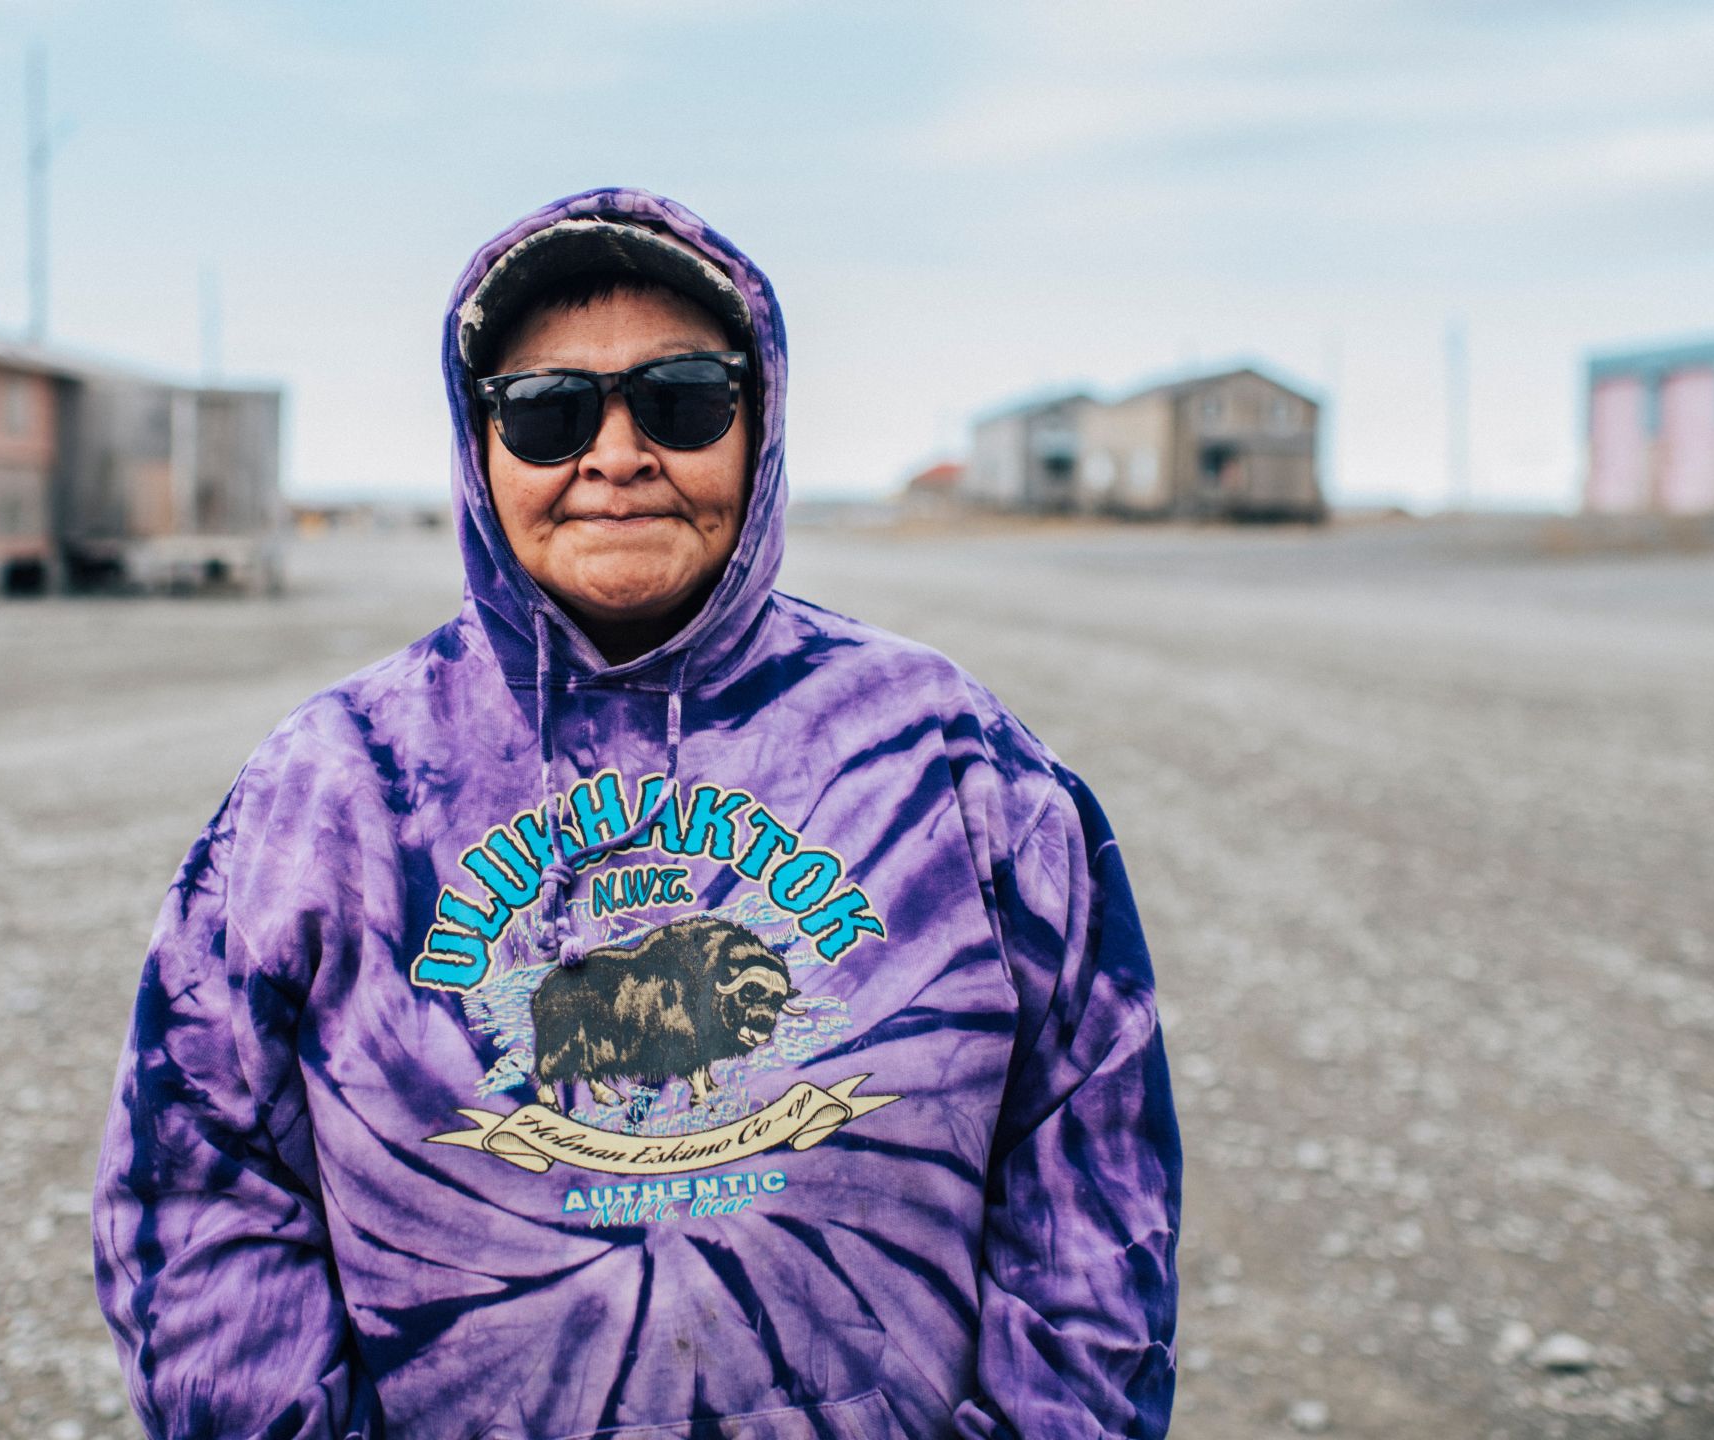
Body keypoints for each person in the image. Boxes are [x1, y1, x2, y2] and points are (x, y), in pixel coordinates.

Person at [93, 187, 1180, 1440]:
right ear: (479, 445)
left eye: (680, 400)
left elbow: (1092, 1174)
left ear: (756, 425)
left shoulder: (950, 756)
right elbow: (203, 1195)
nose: (614, 455)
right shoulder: (333, 787)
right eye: (548, 413)